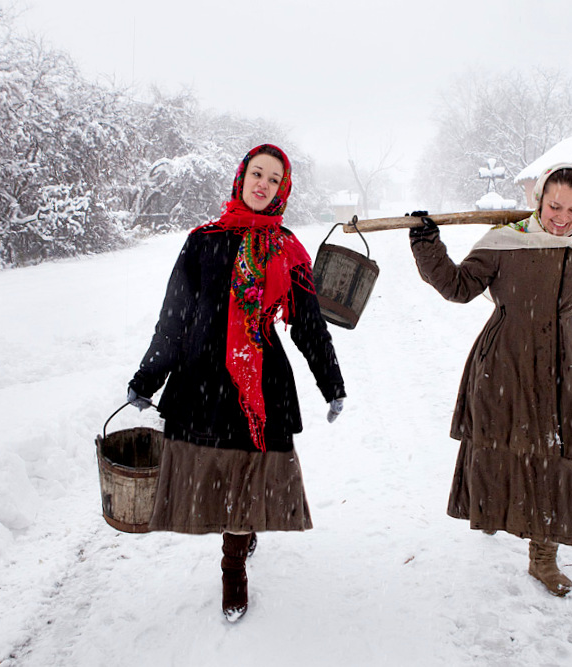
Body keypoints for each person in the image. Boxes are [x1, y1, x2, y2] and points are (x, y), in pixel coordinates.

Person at [408, 163, 572, 597]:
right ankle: (494, 511)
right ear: (538, 200)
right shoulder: (506, 241)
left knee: (558, 459)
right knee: (501, 444)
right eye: (554, 205)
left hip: (566, 367)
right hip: (505, 358)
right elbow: (459, 286)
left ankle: (544, 558)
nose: (562, 218)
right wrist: (427, 243)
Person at [126, 144, 346, 622]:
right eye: (256, 173)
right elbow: (174, 316)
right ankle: (241, 536)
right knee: (222, 471)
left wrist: (333, 384)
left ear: (282, 190)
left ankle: (232, 568)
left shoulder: (287, 249)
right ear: (241, 178)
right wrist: (147, 378)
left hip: (259, 384)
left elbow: (309, 324)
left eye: (273, 178)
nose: (262, 184)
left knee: (250, 471)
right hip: (201, 374)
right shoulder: (202, 240)